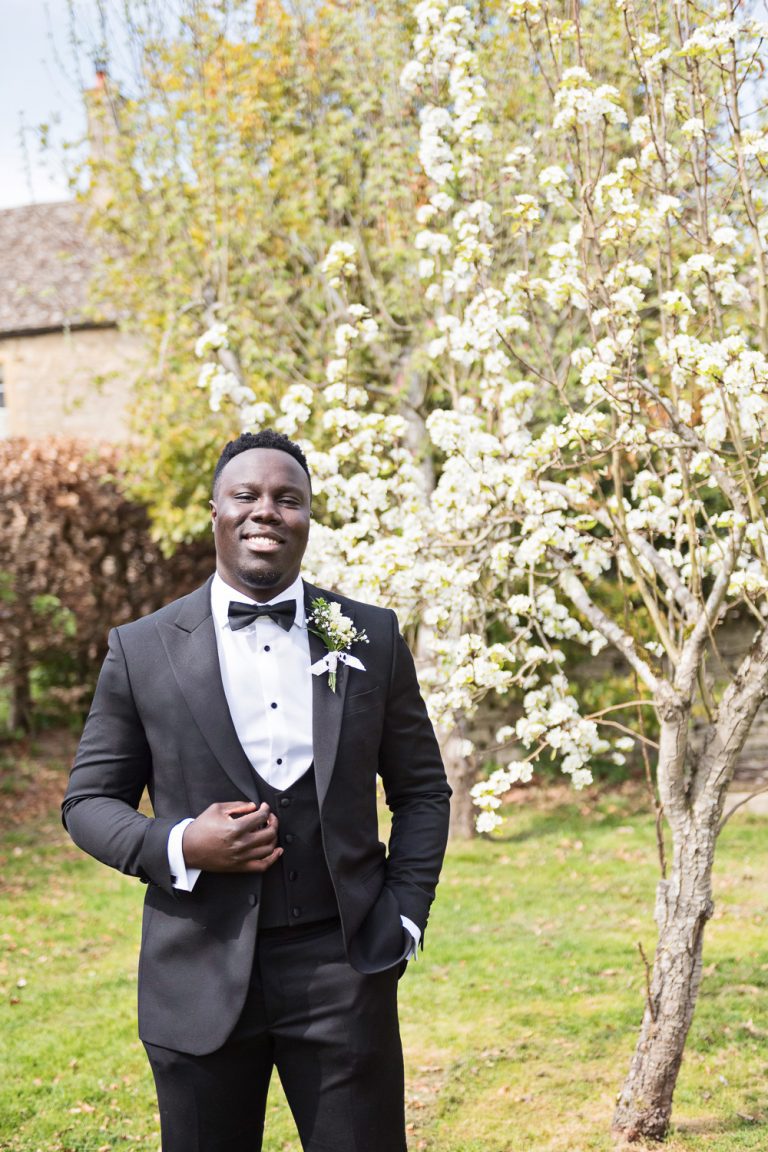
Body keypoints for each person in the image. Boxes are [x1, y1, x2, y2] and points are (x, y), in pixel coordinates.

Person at [62, 429, 451, 1152]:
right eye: (246, 495)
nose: (265, 510)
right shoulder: (141, 650)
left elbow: (423, 790)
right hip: (197, 972)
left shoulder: (368, 637)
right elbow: (86, 805)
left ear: (308, 518)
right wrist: (181, 843)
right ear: (214, 512)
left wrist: (404, 917)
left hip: (346, 971)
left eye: (288, 499)